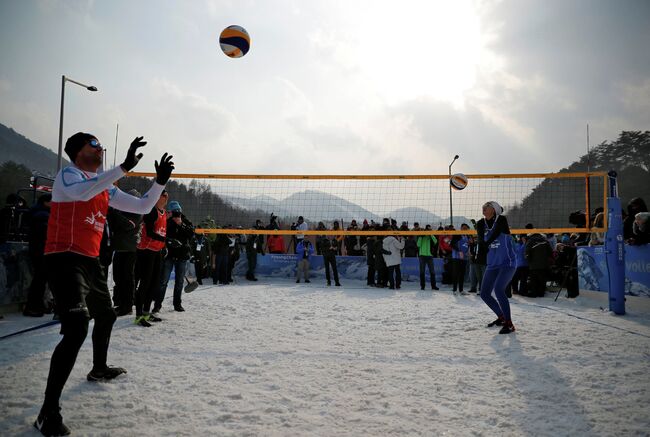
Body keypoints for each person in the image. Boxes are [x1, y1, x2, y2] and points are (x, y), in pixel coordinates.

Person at [35, 132, 173, 436]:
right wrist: (123, 167)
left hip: (90, 260)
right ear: (77, 151)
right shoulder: (68, 176)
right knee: (76, 328)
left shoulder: (104, 186)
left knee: (107, 315)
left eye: (101, 146)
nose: (100, 150)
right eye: (94, 145)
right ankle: (48, 412)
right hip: (64, 257)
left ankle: (98, 368)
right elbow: (81, 193)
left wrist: (159, 182)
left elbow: (141, 207)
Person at [476, 201, 517, 334]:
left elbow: (495, 233)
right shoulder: (481, 223)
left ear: (493, 210)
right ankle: (501, 317)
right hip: (492, 264)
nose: (483, 207)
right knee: (484, 294)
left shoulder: (502, 220)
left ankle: (509, 324)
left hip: (507, 263)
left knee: (499, 290)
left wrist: (486, 243)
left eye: (487, 206)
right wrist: (482, 246)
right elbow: (481, 238)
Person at [134, 191, 169, 326]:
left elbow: (162, 232)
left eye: (166, 196)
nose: (165, 198)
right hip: (146, 251)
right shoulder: (151, 211)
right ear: (156, 197)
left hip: (157, 251)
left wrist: (165, 244)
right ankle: (138, 315)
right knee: (145, 284)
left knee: (154, 284)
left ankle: (147, 313)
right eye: (162, 195)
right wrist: (165, 239)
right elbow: (149, 232)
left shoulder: (164, 213)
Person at [107, 190, 143, 316]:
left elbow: (127, 225)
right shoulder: (121, 211)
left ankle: (127, 306)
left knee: (127, 278)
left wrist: (113, 211)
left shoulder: (138, 212)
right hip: (119, 248)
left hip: (130, 250)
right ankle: (118, 303)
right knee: (118, 277)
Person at [158, 201, 194, 312]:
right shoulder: (166, 221)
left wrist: (180, 224)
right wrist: (169, 242)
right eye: (173, 212)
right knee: (163, 281)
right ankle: (157, 304)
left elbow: (191, 234)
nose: (175, 214)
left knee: (179, 282)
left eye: (177, 212)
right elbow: (162, 235)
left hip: (182, 256)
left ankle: (177, 304)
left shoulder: (186, 221)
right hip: (169, 255)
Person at [23, 194, 52, 317]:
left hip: (40, 251)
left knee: (40, 280)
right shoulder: (42, 215)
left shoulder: (40, 213)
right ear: (46, 202)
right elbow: (44, 235)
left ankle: (38, 305)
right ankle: (33, 306)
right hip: (41, 252)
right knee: (39, 281)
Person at [525, 232, 553, 297]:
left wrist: (529, 262)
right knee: (542, 279)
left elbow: (527, 253)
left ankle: (534, 293)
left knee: (534, 280)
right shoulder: (545, 241)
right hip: (544, 265)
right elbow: (550, 252)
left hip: (533, 265)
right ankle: (541, 293)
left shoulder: (530, 241)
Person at [416, 225, 439, 291]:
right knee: (422, 272)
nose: (427, 231)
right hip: (422, 256)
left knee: (432, 271)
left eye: (429, 229)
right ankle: (422, 286)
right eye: (426, 230)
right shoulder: (421, 236)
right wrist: (421, 236)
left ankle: (433, 286)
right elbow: (418, 245)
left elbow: (435, 241)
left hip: (429, 256)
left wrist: (431, 234)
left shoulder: (430, 236)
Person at [451, 223, 470, 295]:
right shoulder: (457, 234)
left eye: (466, 228)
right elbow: (452, 244)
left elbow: (467, 245)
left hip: (464, 258)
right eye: (464, 228)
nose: (465, 229)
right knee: (456, 274)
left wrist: (468, 251)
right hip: (456, 257)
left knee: (462, 274)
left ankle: (461, 290)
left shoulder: (467, 236)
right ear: (461, 228)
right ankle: (454, 290)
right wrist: (459, 251)